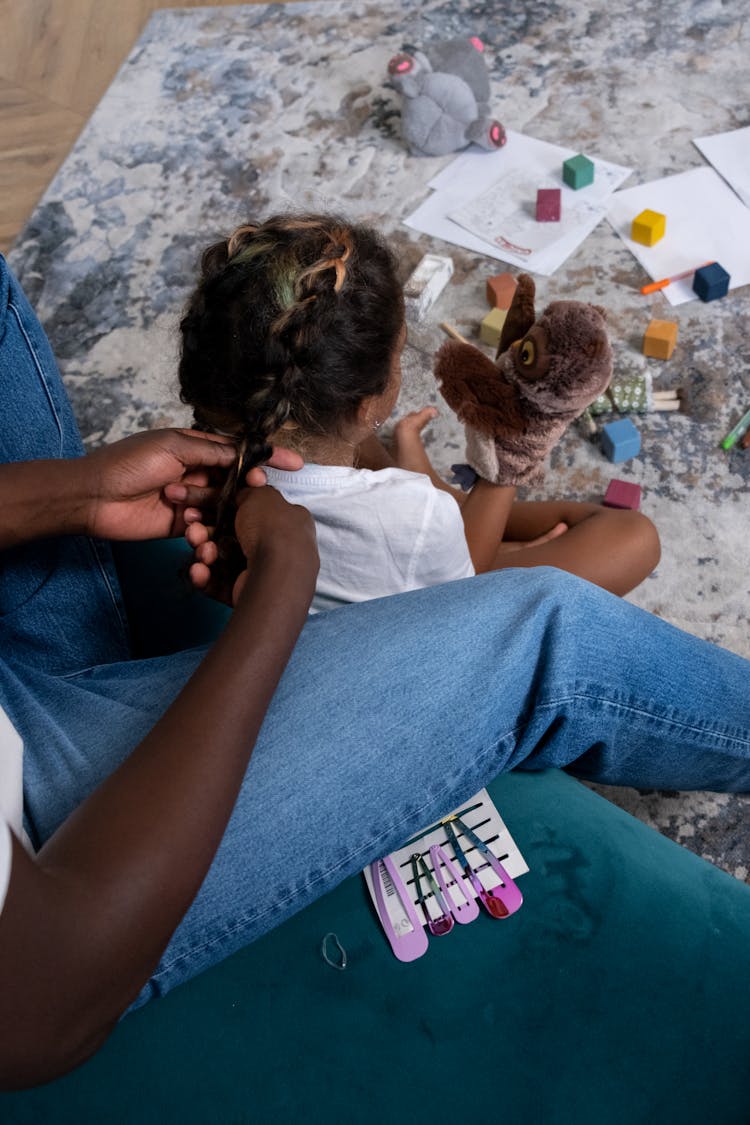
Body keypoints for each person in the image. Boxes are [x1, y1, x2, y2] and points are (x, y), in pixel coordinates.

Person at [1, 251, 749, 1092]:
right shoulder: (377, 516)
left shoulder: (302, 488)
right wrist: (281, 594)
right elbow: (36, 1004)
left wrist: (66, 493)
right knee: (552, 622)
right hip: (48, 839)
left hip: (26, 700)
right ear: (370, 396)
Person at [177, 213, 660, 611]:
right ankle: (472, 520)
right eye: (399, 351)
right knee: (634, 536)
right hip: (424, 621)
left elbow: (372, 482)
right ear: (368, 404)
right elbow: (460, 587)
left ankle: (462, 513)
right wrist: (506, 467)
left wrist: (415, 477)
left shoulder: (208, 457)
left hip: (393, 559)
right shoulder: (412, 514)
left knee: (451, 513)